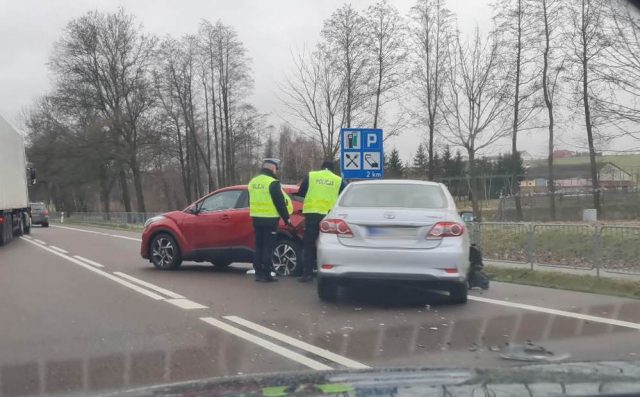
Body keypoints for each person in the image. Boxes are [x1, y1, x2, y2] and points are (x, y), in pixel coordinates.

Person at [297, 160, 347, 282]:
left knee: (309, 244)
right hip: (329, 216)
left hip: (312, 214)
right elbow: (345, 196)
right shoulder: (338, 180)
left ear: (322, 167)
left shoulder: (312, 176)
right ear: (332, 169)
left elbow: (301, 192)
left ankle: (307, 274)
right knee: (329, 243)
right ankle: (330, 272)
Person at [248, 159, 293, 282]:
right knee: (268, 247)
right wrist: (287, 219)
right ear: (272, 168)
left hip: (256, 219)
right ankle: (267, 274)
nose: (276, 171)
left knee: (259, 246)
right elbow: (280, 203)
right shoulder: (272, 182)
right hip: (270, 220)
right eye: (276, 168)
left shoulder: (253, 182)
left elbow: (249, 201)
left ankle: (258, 273)